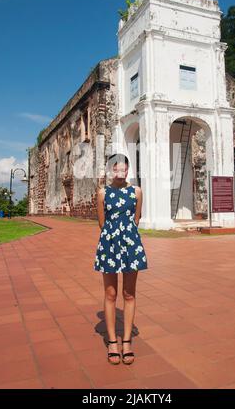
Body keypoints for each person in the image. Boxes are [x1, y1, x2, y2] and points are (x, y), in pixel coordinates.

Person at [94, 153, 148, 365]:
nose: (119, 172)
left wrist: (126, 235)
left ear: (128, 170)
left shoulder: (136, 191)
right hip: (109, 245)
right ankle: (112, 341)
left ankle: (126, 341)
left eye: (123, 169)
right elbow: (101, 222)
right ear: (110, 170)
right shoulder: (102, 193)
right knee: (110, 293)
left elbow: (137, 218)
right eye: (115, 169)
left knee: (129, 294)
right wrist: (114, 235)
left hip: (131, 245)